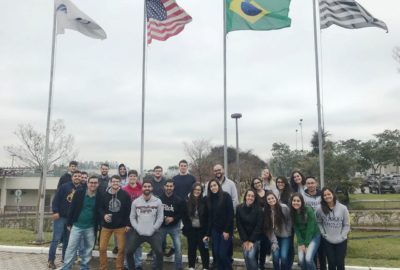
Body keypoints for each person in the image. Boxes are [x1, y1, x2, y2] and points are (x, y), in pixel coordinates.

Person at [61, 176, 100, 270]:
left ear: (98, 184)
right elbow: (72, 208)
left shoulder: (100, 195)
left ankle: (84, 267)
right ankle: (66, 267)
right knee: (71, 248)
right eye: (91, 182)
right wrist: (69, 223)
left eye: (95, 183)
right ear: (87, 183)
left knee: (88, 249)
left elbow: (100, 210)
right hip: (77, 225)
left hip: (90, 227)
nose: (93, 184)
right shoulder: (79, 193)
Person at [125, 180, 164, 270]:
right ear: (142, 188)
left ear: (152, 188)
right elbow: (132, 217)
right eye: (145, 186)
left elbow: (160, 218)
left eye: (149, 186)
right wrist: (137, 227)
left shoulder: (158, 201)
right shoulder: (136, 202)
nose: (147, 188)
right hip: (138, 232)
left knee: (159, 253)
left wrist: (154, 228)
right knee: (129, 252)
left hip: (153, 232)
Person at [48, 170, 82, 269]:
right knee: (56, 239)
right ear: (72, 177)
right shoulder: (64, 186)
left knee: (68, 241)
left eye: (79, 176)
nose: (77, 177)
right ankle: (51, 260)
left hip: (71, 220)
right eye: (75, 176)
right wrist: (55, 211)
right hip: (60, 217)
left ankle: (65, 259)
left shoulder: (82, 189)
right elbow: (56, 199)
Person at [98, 175, 131, 270]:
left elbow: (129, 210)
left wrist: (128, 224)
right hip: (106, 226)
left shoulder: (125, 195)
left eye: (117, 181)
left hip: (120, 226)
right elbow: (100, 208)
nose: (115, 183)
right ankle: (102, 267)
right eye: (113, 181)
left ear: (120, 183)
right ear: (110, 182)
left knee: (121, 249)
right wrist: (104, 215)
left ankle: (119, 268)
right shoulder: (104, 195)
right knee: (102, 248)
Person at [316, 188, 350, 270]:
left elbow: (346, 225)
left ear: (333, 195)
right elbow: (319, 222)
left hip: (341, 241)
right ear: (322, 197)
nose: (327, 196)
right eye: (324, 195)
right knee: (331, 263)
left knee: (340, 263)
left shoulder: (343, 208)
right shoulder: (320, 209)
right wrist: (324, 234)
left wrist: (342, 236)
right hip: (328, 241)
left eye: (329, 194)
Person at [203, 179, 234, 270]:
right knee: (216, 253)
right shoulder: (209, 199)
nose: (213, 188)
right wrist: (208, 234)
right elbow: (210, 218)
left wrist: (227, 230)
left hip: (226, 230)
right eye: (211, 186)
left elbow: (230, 214)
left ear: (218, 186)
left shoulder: (226, 196)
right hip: (215, 230)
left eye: (214, 185)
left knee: (222, 254)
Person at [182, 183, 209, 270]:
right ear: (192, 190)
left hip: (202, 230)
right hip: (191, 230)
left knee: (204, 249)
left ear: (201, 191)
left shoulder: (205, 201)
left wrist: (207, 232)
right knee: (191, 249)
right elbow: (184, 217)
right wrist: (187, 228)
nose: (197, 191)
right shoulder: (187, 201)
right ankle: (191, 267)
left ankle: (205, 267)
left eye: (199, 190)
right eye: (195, 189)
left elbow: (207, 217)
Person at [290, 193, 320, 270]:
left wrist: (306, 244)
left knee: (308, 259)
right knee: (301, 259)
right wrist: (301, 243)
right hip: (302, 238)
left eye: (298, 201)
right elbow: (296, 229)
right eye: (294, 200)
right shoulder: (292, 212)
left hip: (314, 236)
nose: (295, 202)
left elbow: (311, 228)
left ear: (302, 202)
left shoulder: (308, 209)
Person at [159, 179, 184, 270]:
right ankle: (156, 267)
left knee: (178, 247)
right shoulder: (159, 199)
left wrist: (173, 218)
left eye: (171, 186)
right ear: (164, 187)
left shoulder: (179, 200)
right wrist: (164, 218)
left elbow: (181, 213)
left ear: (173, 187)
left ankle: (178, 267)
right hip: (161, 227)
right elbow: (156, 213)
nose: (169, 188)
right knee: (158, 248)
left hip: (174, 227)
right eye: (167, 186)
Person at [264, 192, 292, 270]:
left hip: (285, 236)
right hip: (274, 237)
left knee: (283, 257)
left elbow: (289, 220)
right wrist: (274, 242)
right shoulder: (266, 212)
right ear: (266, 201)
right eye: (268, 199)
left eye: (272, 198)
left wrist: (288, 230)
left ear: (276, 198)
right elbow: (268, 229)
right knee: (275, 256)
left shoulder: (284, 207)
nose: (271, 200)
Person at [236, 189, 263, 270]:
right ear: (245, 196)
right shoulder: (239, 208)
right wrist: (245, 240)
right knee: (246, 256)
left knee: (250, 256)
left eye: (252, 196)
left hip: (255, 238)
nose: (250, 198)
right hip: (245, 237)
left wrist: (251, 241)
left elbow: (259, 226)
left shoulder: (259, 209)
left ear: (255, 198)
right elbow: (239, 224)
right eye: (248, 195)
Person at [304, 177, 326, 270]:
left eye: (312, 183)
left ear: (316, 184)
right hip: (308, 228)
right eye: (308, 183)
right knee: (311, 253)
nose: (310, 185)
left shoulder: (322, 195)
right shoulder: (303, 195)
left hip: (322, 227)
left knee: (322, 252)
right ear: (306, 185)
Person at [123, 170, 143, 270]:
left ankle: (138, 264)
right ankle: (127, 265)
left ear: (137, 177)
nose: (132, 178)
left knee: (138, 244)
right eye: (130, 176)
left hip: (139, 221)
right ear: (128, 177)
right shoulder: (124, 189)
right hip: (127, 221)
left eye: (134, 176)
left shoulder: (142, 189)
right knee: (128, 244)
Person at [250, 177, 270, 269]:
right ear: (253, 185)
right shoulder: (253, 195)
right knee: (256, 246)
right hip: (256, 224)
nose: (257, 184)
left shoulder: (268, 192)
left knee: (264, 246)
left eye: (258, 182)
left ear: (261, 183)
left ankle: (261, 265)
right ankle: (254, 264)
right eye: (255, 183)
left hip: (267, 224)